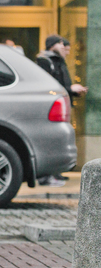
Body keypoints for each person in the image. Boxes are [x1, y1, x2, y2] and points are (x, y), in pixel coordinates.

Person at [36, 35, 88, 187]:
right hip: (50, 108)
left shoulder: (58, 62)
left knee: (56, 141)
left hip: (60, 107)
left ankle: (53, 173)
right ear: (52, 45)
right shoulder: (45, 61)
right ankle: (46, 175)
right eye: (60, 44)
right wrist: (70, 89)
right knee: (49, 141)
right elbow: (48, 86)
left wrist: (72, 92)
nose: (64, 48)